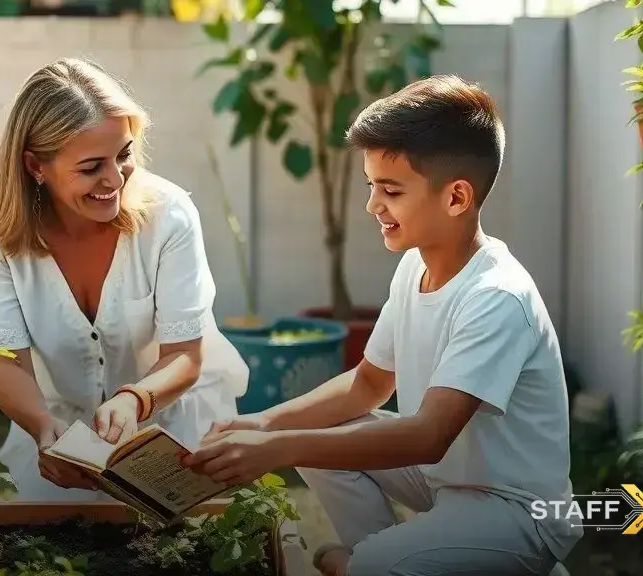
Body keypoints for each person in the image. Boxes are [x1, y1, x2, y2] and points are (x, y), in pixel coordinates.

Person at [184, 75, 582, 575]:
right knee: (321, 433)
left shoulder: (495, 297)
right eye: (372, 186)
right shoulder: (416, 266)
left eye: (390, 190)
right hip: (445, 481)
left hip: (516, 510)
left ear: (456, 198)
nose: (373, 205)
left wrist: (275, 448)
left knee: (360, 560)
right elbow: (370, 382)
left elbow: (428, 435)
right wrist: (263, 423)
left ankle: (366, 564)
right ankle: (390, 559)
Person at [0, 57, 248, 502]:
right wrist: (42, 428)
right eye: (92, 165)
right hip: (62, 432)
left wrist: (135, 400)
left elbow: (184, 355)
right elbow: (5, 362)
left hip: (173, 425)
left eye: (124, 154)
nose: (114, 179)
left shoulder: (169, 217)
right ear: (36, 166)